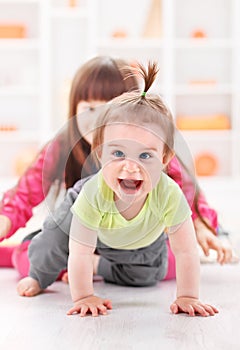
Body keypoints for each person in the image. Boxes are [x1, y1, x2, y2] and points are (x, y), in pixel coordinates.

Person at [1, 56, 234, 278]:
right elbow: (23, 195)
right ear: (73, 109)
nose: (99, 121)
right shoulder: (61, 147)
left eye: (110, 110)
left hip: (135, 245)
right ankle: (84, 265)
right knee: (30, 259)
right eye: (89, 109)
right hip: (82, 239)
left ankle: (96, 267)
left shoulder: (149, 150)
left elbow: (186, 192)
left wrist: (201, 228)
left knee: (169, 263)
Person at [64, 62, 218, 317]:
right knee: (48, 247)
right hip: (101, 240)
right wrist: (84, 296)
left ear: (165, 157)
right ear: (101, 154)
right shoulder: (92, 194)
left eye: (145, 155)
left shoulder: (169, 194)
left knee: (153, 271)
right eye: (118, 153)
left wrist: (188, 296)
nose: (131, 166)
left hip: (145, 244)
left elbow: (186, 250)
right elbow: (80, 251)